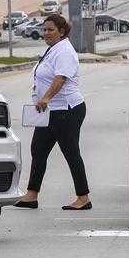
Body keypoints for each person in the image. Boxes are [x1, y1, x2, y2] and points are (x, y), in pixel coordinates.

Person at [15, 14, 91, 211]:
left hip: (66, 110)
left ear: (62, 31)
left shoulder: (64, 51)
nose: (46, 33)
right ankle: (31, 195)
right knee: (38, 150)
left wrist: (46, 97)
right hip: (49, 111)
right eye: (44, 29)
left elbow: (61, 78)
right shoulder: (53, 49)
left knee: (71, 152)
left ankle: (83, 198)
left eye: (50, 30)